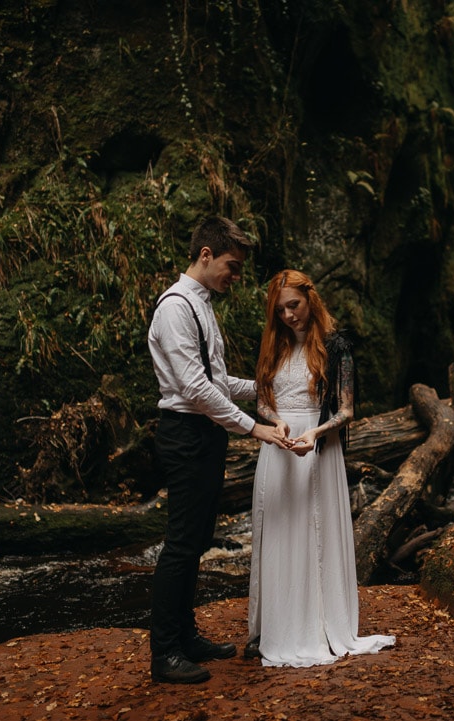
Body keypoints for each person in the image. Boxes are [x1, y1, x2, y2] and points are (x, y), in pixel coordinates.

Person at [147, 217, 292, 684]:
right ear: (205, 255)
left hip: (206, 433)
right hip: (184, 432)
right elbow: (192, 388)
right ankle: (165, 652)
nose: (236, 276)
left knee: (198, 541)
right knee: (181, 544)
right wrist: (256, 429)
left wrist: (269, 390)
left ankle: (186, 636)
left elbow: (218, 381)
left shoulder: (203, 306)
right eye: (231, 266)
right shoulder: (174, 308)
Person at [245, 269, 396, 667]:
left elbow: (346, 411)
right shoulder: (272, 347)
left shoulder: (336, 346)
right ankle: (271, 627)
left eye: (293, 305)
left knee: (312, 533)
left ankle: (316, 623)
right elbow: (262, 401)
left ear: (310, 298)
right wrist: (274, 423)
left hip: (317, 448)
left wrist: (315, 433)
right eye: (280, 311)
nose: (289, 316)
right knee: (276, 531)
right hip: (278, 450)